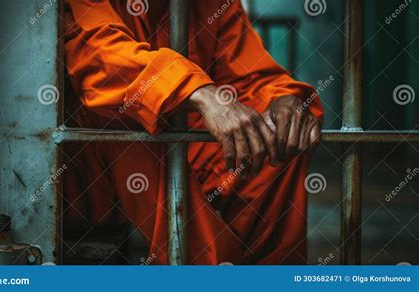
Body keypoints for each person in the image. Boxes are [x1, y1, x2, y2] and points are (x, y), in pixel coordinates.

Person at [63, 0, 323, 265]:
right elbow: (98, 56)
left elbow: (251, 75)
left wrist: (283, 99)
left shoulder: (213, 4)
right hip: (85, 166)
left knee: (275, 132)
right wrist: (199, 93)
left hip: (180, 145)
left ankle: (271, 278)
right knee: (130, 110)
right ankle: (204, 275)